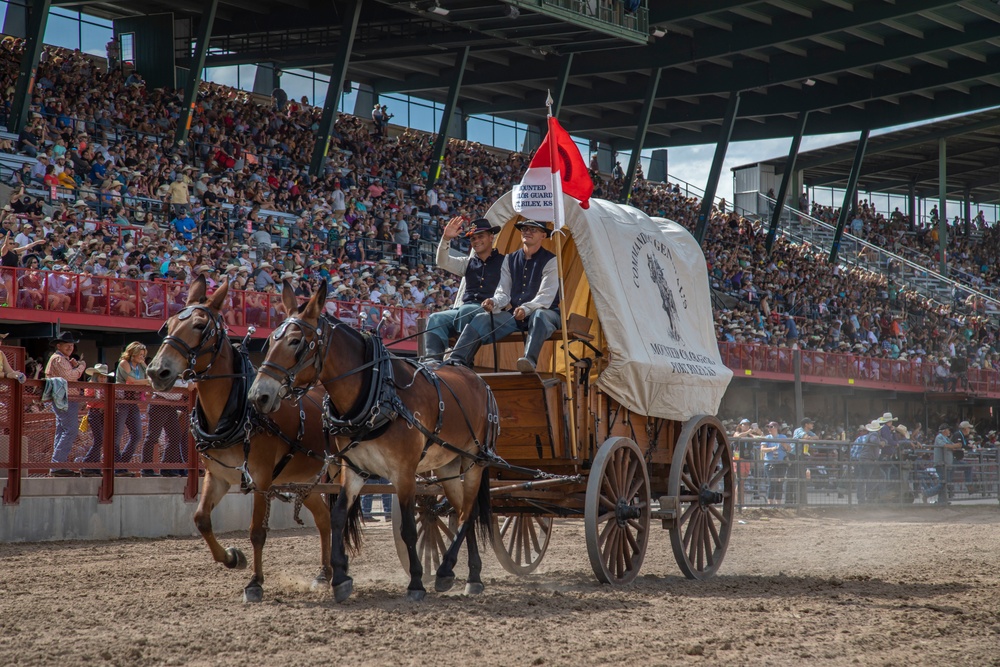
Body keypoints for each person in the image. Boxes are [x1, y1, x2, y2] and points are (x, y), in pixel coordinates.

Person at [450, 219, 560, 373]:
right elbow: (503, 293)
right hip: (516, 315)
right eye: (524, 229)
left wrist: (525, 309)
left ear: (543, 235)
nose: (527, 232)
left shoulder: (551, 260)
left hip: (546, 313)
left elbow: (545, 297)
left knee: (539, 315)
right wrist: (493, 302)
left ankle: (529, 361)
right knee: (482, 318)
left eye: (533, 229)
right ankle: (457, 360)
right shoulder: (510, 259)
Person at [424, 216, 504, 361]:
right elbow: (442, 262)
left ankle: (462, 361)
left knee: (465, 310)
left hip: (492, 312)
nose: (476, 241)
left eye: (480, 236)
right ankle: (432, 362)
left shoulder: (505, 262)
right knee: (435, 318)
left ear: (491, 237)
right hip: (465, 310)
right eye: (473, 239)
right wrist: (446, 238)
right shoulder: (467, 263)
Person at [44, 331, 86, 476]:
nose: (70, 347)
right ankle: (57, 465)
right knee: (71, 430)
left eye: (72, 344)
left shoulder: (63, 359)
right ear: (59, 345)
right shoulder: (58, 359)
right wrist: (81, 367)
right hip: (64, 398)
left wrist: (74, 365)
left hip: (64, 398)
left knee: (62, 430)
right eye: (67, 344)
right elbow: (69, 376)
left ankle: (57, 465)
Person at [142, 376, 191, 477]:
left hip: (170, 405)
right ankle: (146, 469)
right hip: (159, 403)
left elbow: (188, 382)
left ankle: (166, 468)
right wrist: (188, 384)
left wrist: (189, 383)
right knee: (152, 436)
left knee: (175, 436)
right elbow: (174, 383)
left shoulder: (181, 375)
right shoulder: (169, 373)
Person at [114, 342, 151, 476]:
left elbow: (149, 377)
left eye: (143, 355)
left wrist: (146, 378)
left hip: (133, 402)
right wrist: (147, 382)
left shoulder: (141, 365)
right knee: (116, 435)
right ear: (133, 353)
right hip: (121, 401)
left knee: (137, 435)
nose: (142, 357)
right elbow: (131, 381)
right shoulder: (124, 363)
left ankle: (121, 465)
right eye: (140, 354)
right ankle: (116, 466)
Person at [79, 363, 114, 476]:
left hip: (104, 413)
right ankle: (86, 463)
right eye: (101, 376)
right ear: (96, 376)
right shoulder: (91, 386)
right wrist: (101, 398)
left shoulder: (107, 387)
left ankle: (94, 467)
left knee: (101, 440)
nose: (103, 379)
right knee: (99, 439)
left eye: (104, 377)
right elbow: (90, 401)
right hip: (95, 413)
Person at [759, 421, 788, 505]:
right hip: (770, 463)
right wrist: (772, 448)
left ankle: (778, 502)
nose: (769, 429)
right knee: (772, 481)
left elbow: (788, 449)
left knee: (780, 482)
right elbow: (762, 449)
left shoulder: (783, 437)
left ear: (776, 428)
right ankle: (770, 501)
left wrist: (783, 444)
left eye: (771, 427)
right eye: (768, 427)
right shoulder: (767, 437)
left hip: (781, 462)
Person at [933, 423, 961, 505]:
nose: (949, 431)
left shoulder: (946, 438)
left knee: (945, 483)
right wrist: (955, 445)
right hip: (940, 463)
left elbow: (951, 445)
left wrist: (955, 446)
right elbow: (946, 446)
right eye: (948, 430)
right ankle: (927, 493)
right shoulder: (939, 437)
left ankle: (942, 501)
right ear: (944, 430)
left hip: (945, 464)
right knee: (943, 483)